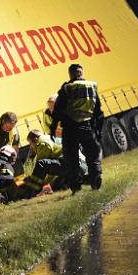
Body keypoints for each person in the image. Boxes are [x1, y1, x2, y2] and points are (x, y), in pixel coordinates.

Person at [50, 64, 104, 193]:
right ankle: (96, 180)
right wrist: (98, 130)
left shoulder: (67, 88)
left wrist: (53, 127)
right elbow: (99, 112)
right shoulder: (91, 86)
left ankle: (76, 188)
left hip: (70, 128)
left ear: (70, 74)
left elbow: (57, 110)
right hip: (87, 127)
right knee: (92, 155)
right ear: (82, 72)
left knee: (71, 159)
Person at [18, 129, 81, 199]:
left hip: (70, 165)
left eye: (31, 144)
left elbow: (40, 167)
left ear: (35, 139)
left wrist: (36, 182)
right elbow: (51, 169)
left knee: (41, 164)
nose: (31, 147)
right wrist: (46, 182)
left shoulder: (42, 142)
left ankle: (29, 194)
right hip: (78, 164)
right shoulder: (51, 137)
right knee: (55, 184)